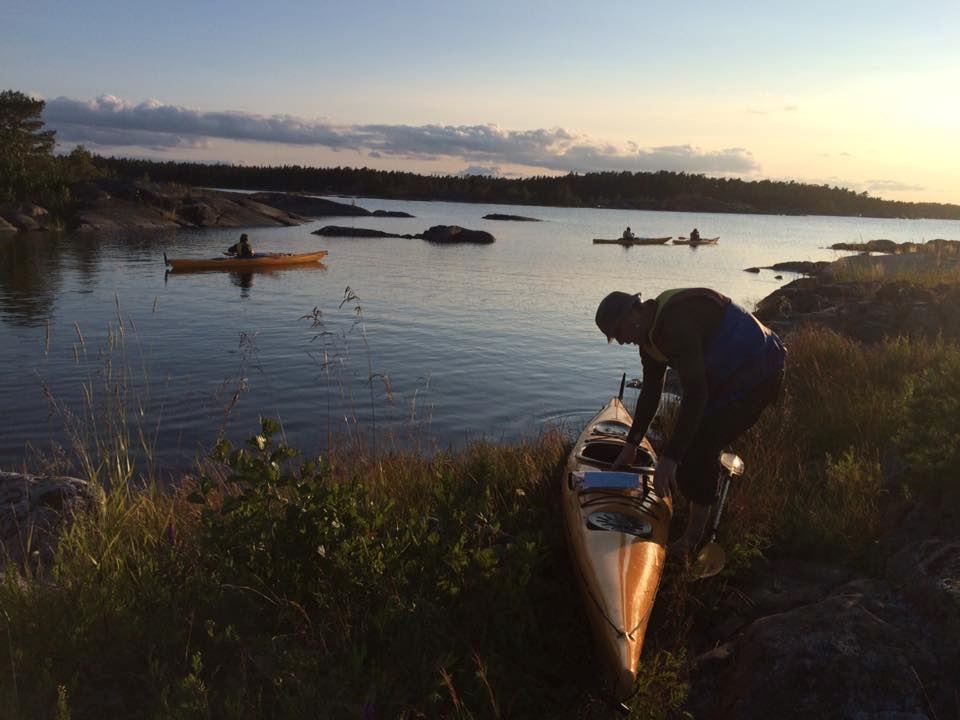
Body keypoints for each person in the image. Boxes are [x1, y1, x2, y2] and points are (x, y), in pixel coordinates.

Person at [594, 288, 785, 556]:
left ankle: (692, 540)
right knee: (689, 445)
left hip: (760, 372)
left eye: (620, 331)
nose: (622, 341)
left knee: (702, 445)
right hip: (728, 375)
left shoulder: (675, 325)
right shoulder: (649, 338)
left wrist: (670, 456)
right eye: (615, 337)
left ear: (634, 311)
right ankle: (696, 503)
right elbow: (651, 391)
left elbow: (696, 393)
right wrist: (632, 444)